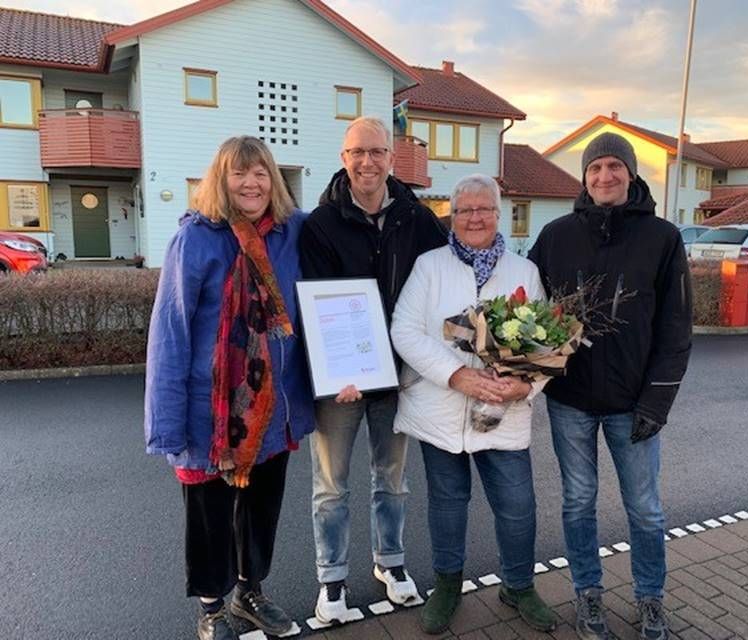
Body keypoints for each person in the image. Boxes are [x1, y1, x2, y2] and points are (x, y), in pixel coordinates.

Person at [144, 136, 314, 640]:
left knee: (261, 512)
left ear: (273, 179)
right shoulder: (195, 240)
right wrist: (168, 422)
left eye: (260, 173)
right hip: (210, 414)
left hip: (271, 410)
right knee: (210, 518)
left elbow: (342, 230)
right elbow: (170, 331)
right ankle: (212, 607)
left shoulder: (292, 232)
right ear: (221, 179)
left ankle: (249, 591)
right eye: (240, 173)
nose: (251, 183)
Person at [528, 132, 692, 640]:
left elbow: (676, 327)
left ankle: (650, 597)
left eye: (614, 166)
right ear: (584, 177)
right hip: (570, 400)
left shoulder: (662, 238)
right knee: (578, 501)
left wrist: (658, 401)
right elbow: (527, 310)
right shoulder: (555, 236)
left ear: (631, 173)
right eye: (595, 167)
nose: (605, 176)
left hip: (634, 402)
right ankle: (587, 592)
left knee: (644, 508)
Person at [390, 174, 559, 635]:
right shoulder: (429, 266)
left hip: (504, 414)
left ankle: (519, 586)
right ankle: (447, 585)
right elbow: (404, 330)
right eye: (465, 210)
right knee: (447, 504)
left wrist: (525, 388)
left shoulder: (524, 272)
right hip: (440, 411)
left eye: (484, 209)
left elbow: (549, 344)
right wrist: (456, 374)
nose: (475, 218)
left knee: (517, 505)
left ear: (498, 214)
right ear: (453, 216)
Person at [298, 116, 447, 623]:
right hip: (340, 383)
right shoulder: (321, 224)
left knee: (392, 479)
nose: (367, 161)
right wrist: (330, 370)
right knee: (331, 486)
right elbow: (312, 306)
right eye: (358, 152)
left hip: (398, 377)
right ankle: (332, 577)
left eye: (377, 151)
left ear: (391, 157)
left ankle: (391, 563)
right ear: (344, 158)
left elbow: (439, 289)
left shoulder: (418, 219)